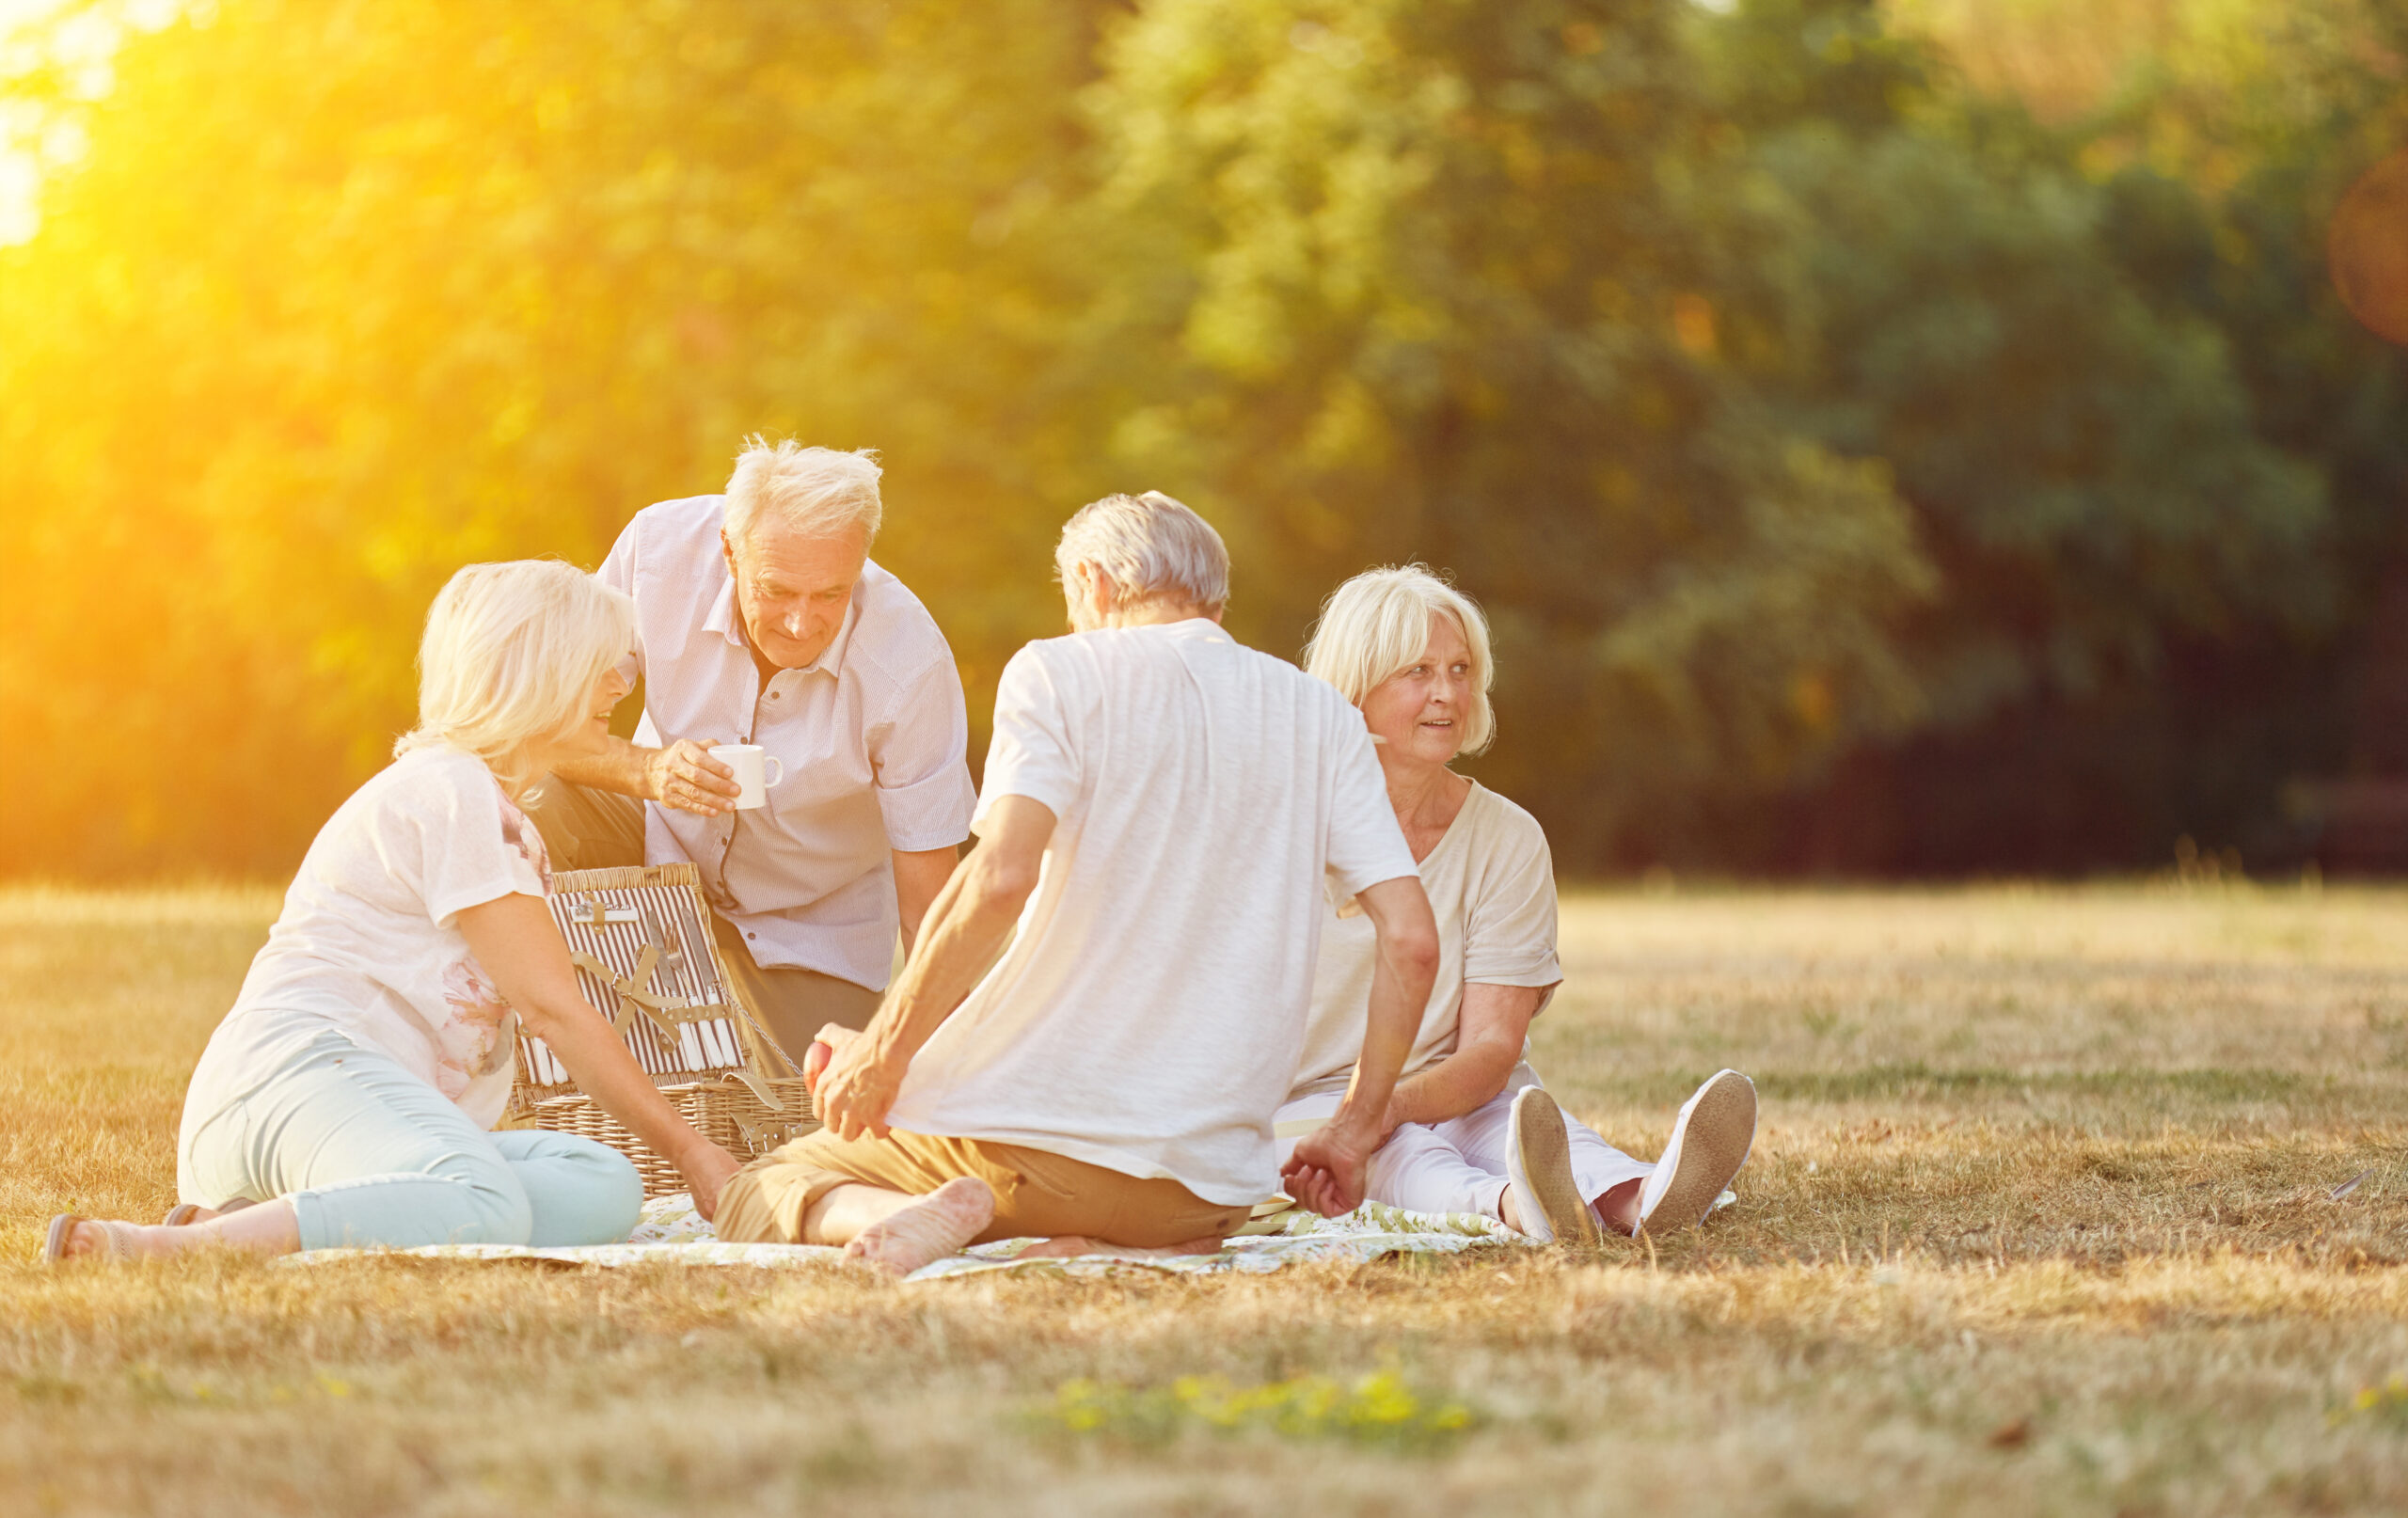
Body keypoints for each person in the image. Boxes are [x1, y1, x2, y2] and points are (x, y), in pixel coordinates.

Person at [712, 492, 1443, 1274]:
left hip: (1027, 1159)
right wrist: (1355, 1127)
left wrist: (884, 1056)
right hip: (1206, 1196)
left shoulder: (1058, 672)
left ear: (1092, 582)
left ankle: (921, 1216)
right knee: (1100, 1199)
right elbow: (1411, 939)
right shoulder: (1321, 713)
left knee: (760, 1185)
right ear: (1213, 598)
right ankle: (1072, 1247)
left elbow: (999, 880)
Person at [44, 561, 746, 1263]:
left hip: (336, 1118)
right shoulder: (455, 790)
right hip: (300, 1078)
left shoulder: (477, 798)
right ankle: (174, 1249)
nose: (621, 686)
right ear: (545, 673)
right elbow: (553, 1010)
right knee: (486, 1202)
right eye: (605, 666)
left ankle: (244, 1219)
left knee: (601, 1185)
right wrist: (692, 1151)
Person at [1274, 565, 1757, 1242]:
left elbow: (1493, 1048)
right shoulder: (1284, 825)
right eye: (1418, 671)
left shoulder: (1508, 836)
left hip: (1463, 1090)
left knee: (1519, 1127)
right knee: (1403, 1154)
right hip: (1315, 1099)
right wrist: (1363, 1114)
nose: (1448, 693)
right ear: (1356, 686)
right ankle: (1512, 1205)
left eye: (1460, 669)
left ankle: (1645, 1196)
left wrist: (1390, 1102)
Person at [527, 438, 977, 1059]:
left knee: (793, 1120)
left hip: (813, 925)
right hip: (654, 841)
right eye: (777, 590)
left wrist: (944, 1071)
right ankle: (520, 1031)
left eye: (830, 595)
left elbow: (932, 906)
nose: (800, 623)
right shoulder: (657, 553)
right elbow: (538, 724)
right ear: (729, 551)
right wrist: (650, 770)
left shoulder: (909, 665)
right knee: (528, 796)